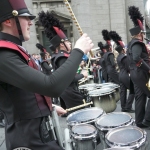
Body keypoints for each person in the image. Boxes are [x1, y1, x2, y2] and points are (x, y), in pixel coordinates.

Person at [0, 0, 94, 149]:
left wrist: (47, 107)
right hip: (29, 140)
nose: (30, 22)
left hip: (38, 134)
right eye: (25, 17)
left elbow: (24, 92)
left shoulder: (12, 50)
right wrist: (78, 50)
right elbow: (51, 86)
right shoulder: (3, 54)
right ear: (7, 20)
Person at [39, 11, 89, 112]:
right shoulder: (62, 57)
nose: (70, 44)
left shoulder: (58, 56)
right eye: (67, 42)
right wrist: (83, 75)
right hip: (69, 91)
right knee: (81, 116)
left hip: (65, 91)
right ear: (62, 44)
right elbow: (69, 78)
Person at [127, 6, 150, 128]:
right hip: (141, 74)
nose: (143, 35)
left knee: (140, 97)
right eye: (142, 33)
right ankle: (147, 120)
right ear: (139, 33)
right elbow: (136, 58)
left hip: (136, 74)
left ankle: (140, 121)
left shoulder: (131, 43)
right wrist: (148, 68)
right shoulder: (136, 43)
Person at [109, 31, 135, 113]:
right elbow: (128, 67)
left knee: (123, 91)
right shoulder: (124, 57)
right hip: (125, 75)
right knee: (132, 90)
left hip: (120, 75)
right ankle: (128, 107)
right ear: (123, 50)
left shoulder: (119, 57)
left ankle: (123, 107)